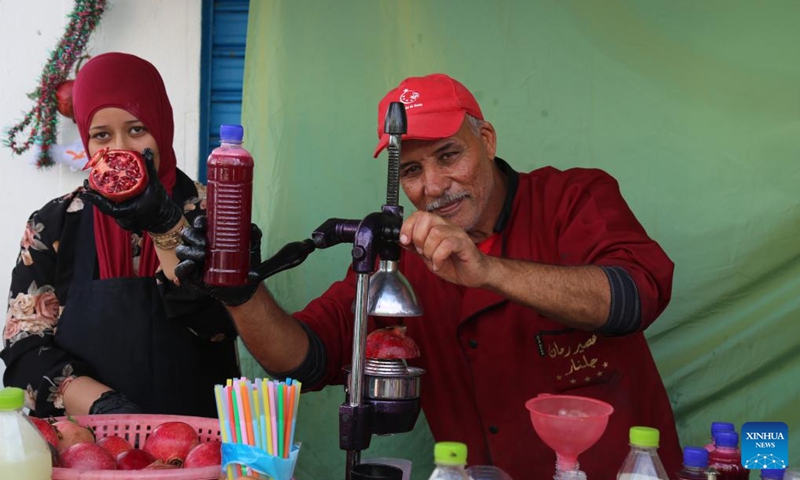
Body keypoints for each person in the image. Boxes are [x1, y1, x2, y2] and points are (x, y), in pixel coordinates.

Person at [177, 73, 682, 479]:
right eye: (413, 171)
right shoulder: (401, 256)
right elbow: (303, 359)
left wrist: (488, 271)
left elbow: (635, 296)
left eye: (448, 155)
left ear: (485, 140)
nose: (435, 186)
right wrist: (238, 288)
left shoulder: (573, 198)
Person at [1, 52, 240, 418]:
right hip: (84, 446)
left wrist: (166, 228)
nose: (121, 149)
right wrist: (103, 406)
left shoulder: (212, 213)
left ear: (162, 126)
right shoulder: (53, 225)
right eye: (101, 135)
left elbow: (220, 324)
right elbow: (24, 349)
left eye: (136, 129)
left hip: (195, 442)